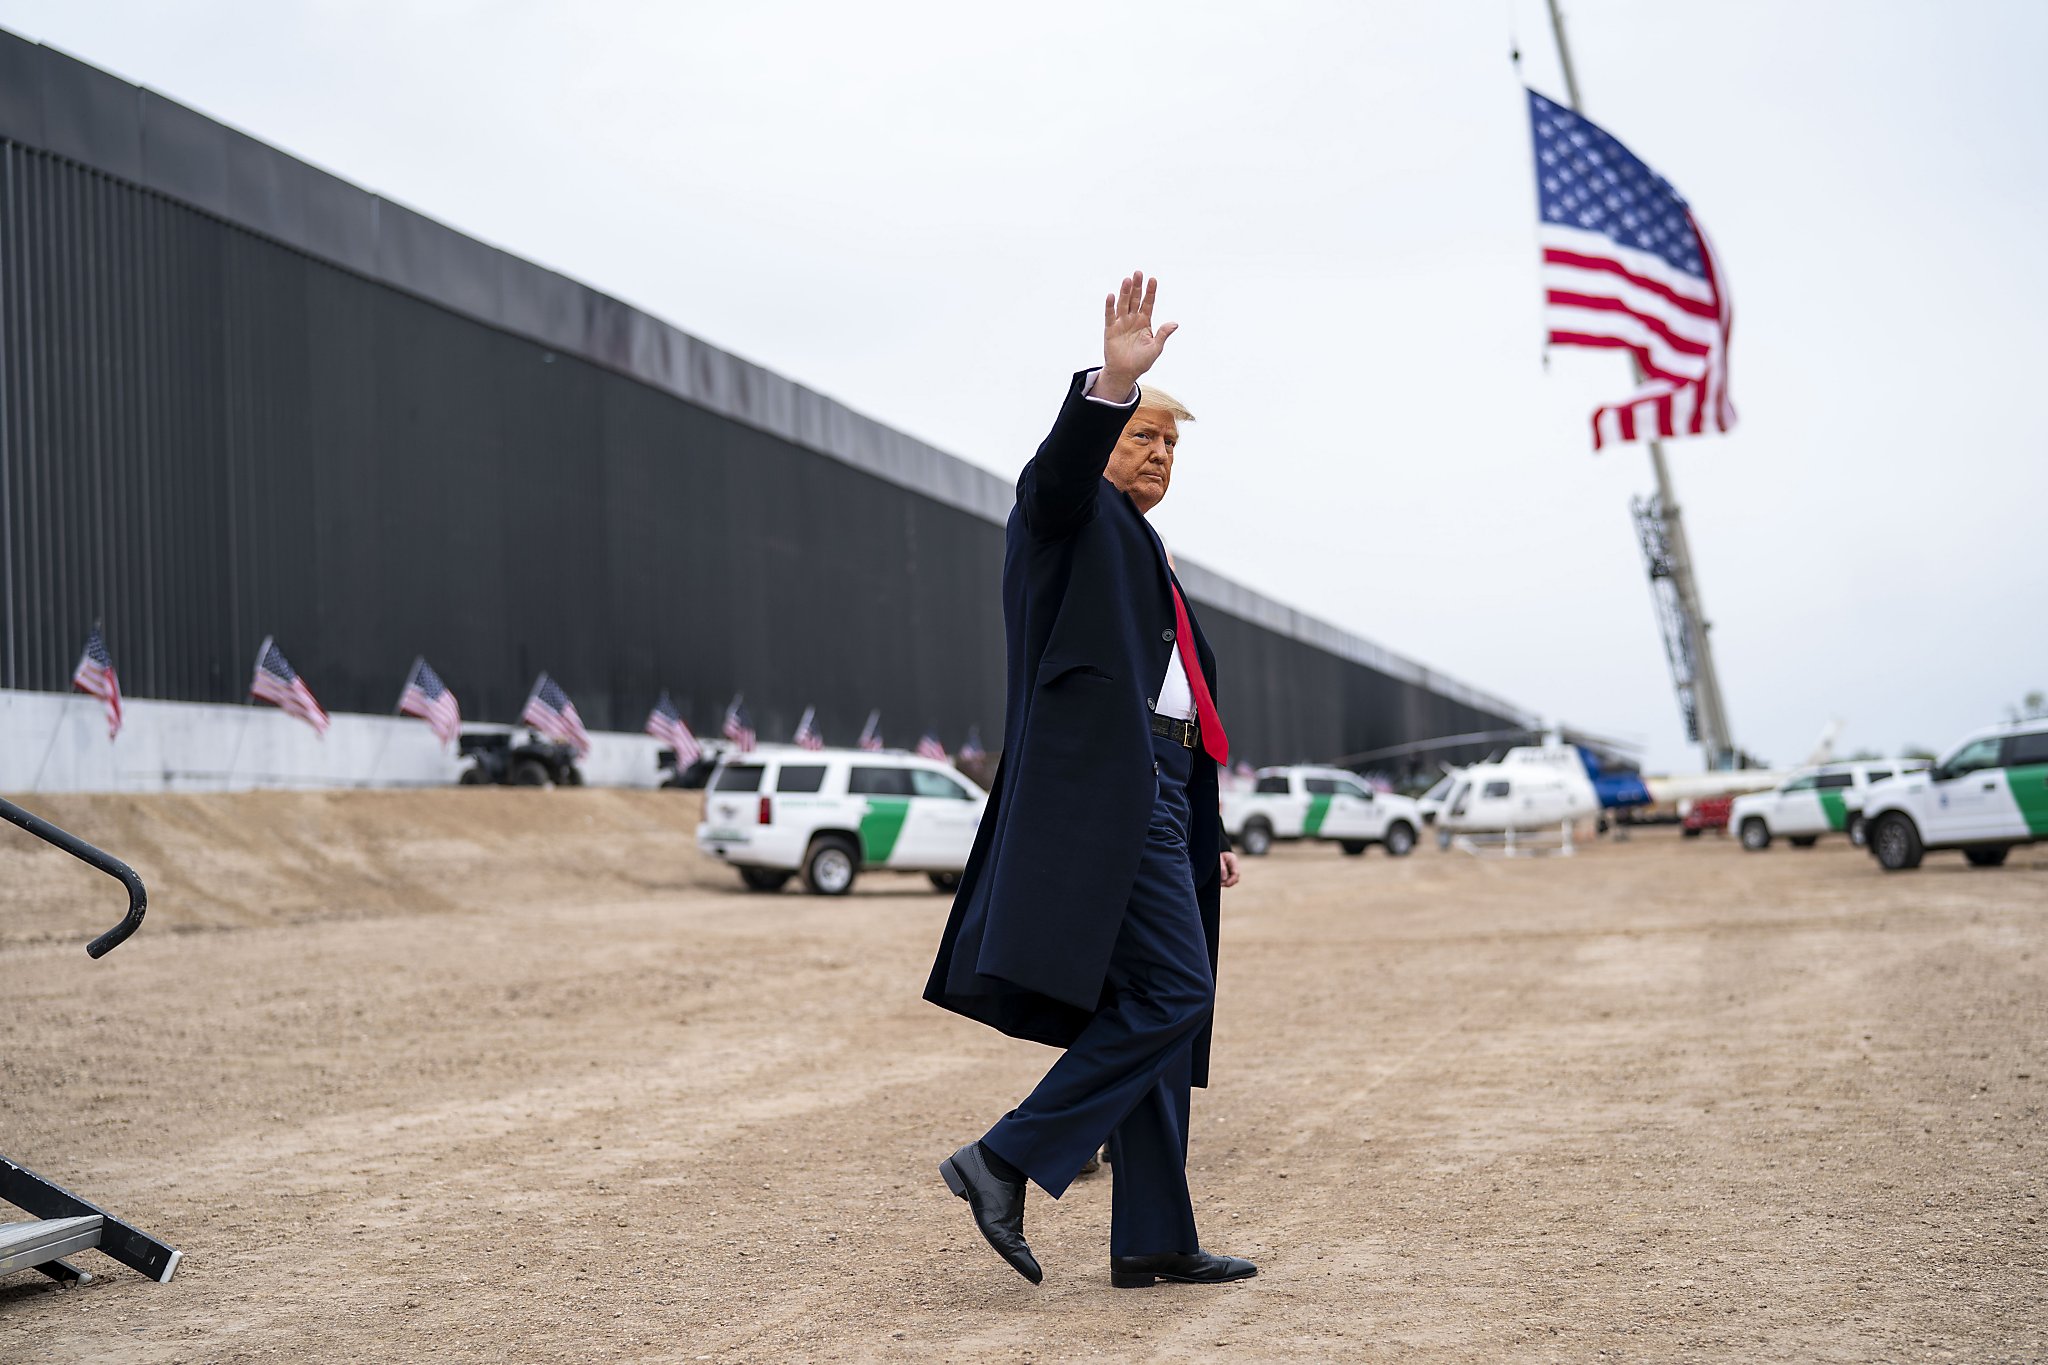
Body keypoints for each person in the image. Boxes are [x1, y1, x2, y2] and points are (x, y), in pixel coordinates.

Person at [924, 272, 1253, 1289]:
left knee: (1154, 997)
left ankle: (1152, 1234)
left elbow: (1170, 700)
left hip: (1157, 792)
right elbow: (1059, 471)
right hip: (1105, 800)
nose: (1157, 455)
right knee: (1174, 991)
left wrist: (1207, 824)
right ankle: (1003, 1157)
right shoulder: (1064, 517)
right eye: (1140, 436)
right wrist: (1111, 381)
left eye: (1168, 444)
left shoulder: (1144, 547)